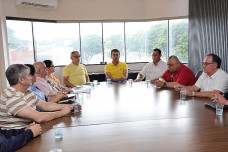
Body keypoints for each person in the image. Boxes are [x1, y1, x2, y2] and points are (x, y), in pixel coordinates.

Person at [0, 64, 74, 129]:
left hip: (30, 130)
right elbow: (39, 117)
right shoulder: (11, 96)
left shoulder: (27, 92)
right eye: (29, 75)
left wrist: (68, 106)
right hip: (17, 137)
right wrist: (62, 112)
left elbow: (45, 106)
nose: (31, 77)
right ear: (21, 80)